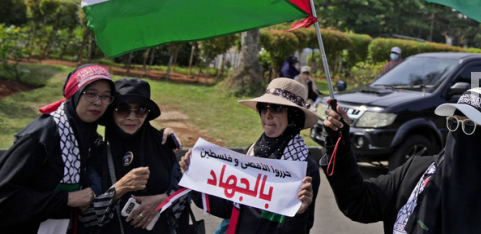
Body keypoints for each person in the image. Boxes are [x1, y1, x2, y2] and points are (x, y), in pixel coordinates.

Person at [322, 87, 481, 233]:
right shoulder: (416, 173)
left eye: (470, 126)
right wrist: (338, 144)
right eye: (454, 123)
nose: (460, 135)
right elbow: (359, 202)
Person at [181, 78, 319, 233]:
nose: (267, 115)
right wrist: (194, 179)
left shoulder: (305, 169)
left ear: (293, 116)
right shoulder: (250, 153)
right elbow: (227, 209)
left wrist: (299, 213)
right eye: (263, 107)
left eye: (277, 108)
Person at [0, 64, 115, 234]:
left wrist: (165, 135)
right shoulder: (42, 136)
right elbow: (4, 197)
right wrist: (65, 199)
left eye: (106, 96)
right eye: (91, 94)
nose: (98, 102)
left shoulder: (88, 136)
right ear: (74, 93)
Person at [80, 78, 190, 233]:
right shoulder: (98, 153)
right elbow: (86, 217)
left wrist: (164, 200)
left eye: (141, 110)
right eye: (123, 109)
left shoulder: (163, 144)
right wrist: (119, 189)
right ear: (112, 111)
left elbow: (184, 197)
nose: (132, 117)